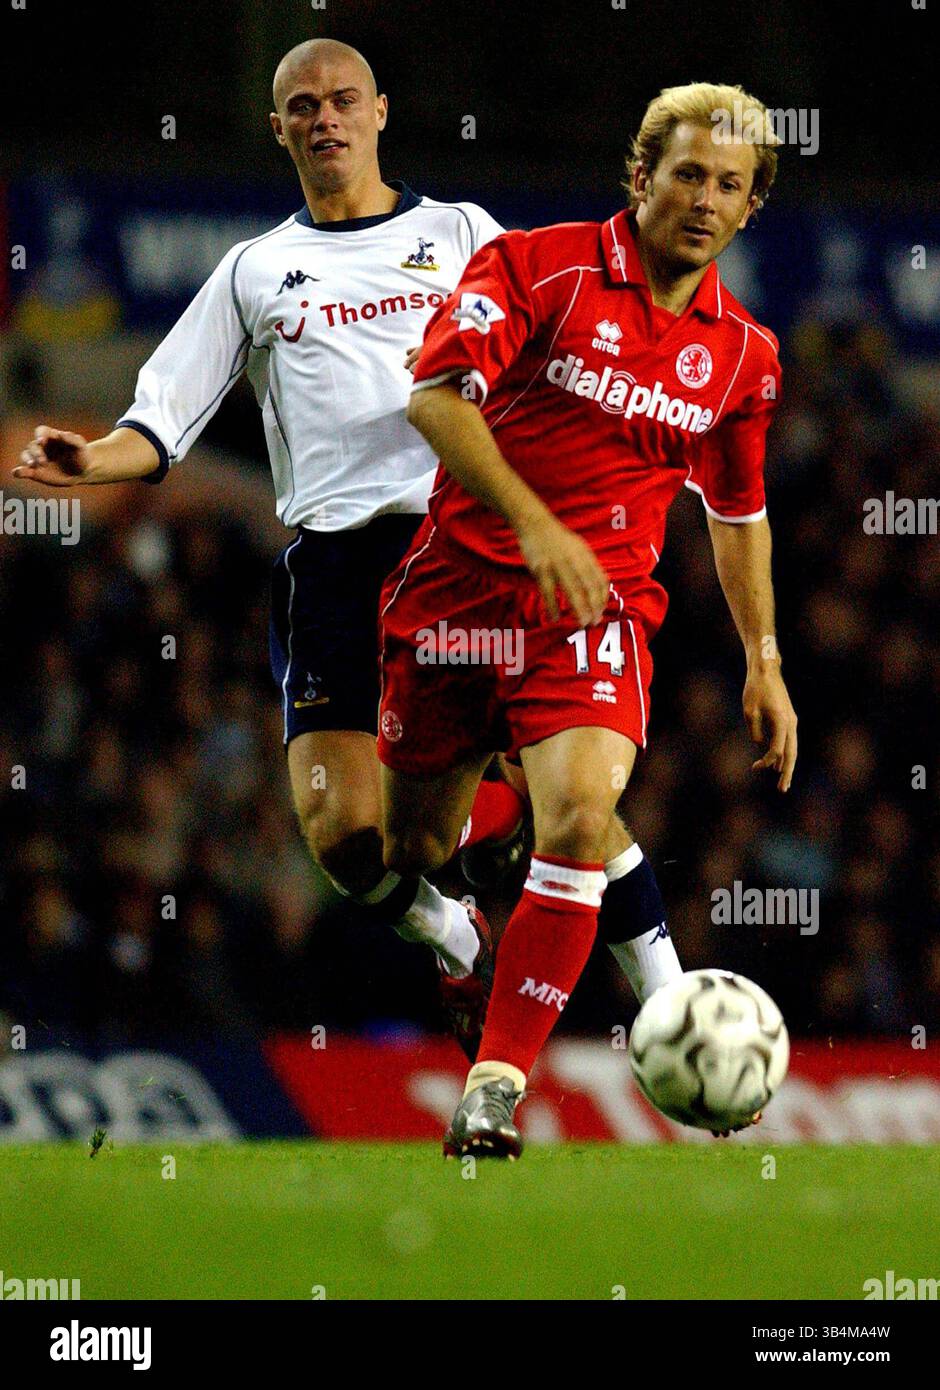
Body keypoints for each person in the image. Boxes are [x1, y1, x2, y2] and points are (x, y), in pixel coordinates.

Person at [12, 37, 519, 1060]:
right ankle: (454, 930)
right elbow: (160, 420)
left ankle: (616, 961)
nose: (325, 118)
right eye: (303, 106)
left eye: (342, 100)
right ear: (281, 127)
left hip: (457, 546)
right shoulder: (253, 271)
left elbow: (550, 359)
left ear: (379, 111)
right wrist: (88, 462)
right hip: (333, 567)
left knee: (498, 792)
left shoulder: (464, 232)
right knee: (343, 839)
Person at [376, 81, 799, 1156]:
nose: (705, 199)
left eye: (730, 185)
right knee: (408, 842)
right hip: (457, 599)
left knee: (580, 817)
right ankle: (487, 855)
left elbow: (736, 509)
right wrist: (530, 522)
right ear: (641, 175)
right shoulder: (539, 267)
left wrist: (763, 656)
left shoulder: (743, 354)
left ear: (751, 207)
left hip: (593, 616)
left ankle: (496, 1085)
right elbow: (434, 396)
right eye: (689, 173)